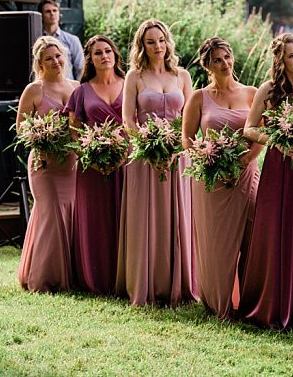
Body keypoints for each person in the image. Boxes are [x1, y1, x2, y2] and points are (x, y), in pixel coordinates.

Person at [239, 33, 293, 330]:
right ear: (281, 61)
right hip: (278, 165)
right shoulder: (269, 91)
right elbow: (249, 129)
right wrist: (276, 138)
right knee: (275, 229)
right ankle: (272, 305)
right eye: (291, 55)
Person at [181, 37, 263, 319]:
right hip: (211, 178)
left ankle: (249, 302)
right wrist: (207, 158)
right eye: (217, 59)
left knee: (251, 236)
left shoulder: (252, 94)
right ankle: (219, 302)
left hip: (246, 174)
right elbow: (187, 138)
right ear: (207, 65)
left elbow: (261, 136)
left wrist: (244, 160)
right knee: (216, 242)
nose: (225, 63)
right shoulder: (198, 97)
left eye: (227, 57)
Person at [117, 19, 194, 306]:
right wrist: (150, 147)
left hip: (177, 157)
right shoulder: (134, 77)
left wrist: (175, 147)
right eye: (151, 42)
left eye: (161, 40)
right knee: (145, 219)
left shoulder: (182, 76)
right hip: (144, 157)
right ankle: (146, 282)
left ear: (167, 42)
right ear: (142, 45)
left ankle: (178, 283)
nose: (158, 47)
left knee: (176, 216)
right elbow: (127, 120)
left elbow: (190, 119)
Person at [16, 36, 77, 292]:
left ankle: (72, 274)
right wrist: (40, 137)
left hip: (71, 164)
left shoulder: (76, 87)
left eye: (59, 56)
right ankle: (44, 277)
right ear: (40, 63)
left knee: (71, 213)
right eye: (49, 58)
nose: (56, 61)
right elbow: (20, 128)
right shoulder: (34, 90)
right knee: (50, 212)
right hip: (44, 164)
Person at [67, 35, 125, 295]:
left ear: (115, 55)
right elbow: (73, 132)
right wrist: (90, 156)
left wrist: (122, 154)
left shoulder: (129, 85)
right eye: (98, 53)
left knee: (125, 219)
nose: (105, 56)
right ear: (90, 59)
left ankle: (124, 276)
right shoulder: (81, 92)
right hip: (91, 168)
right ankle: (94, 278)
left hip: (125, 163)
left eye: (108, 51)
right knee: (95, 221)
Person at [39, 0, 83, 80]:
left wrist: (78, 90)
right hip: (44, 88)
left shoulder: (72, 40)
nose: (52, 14)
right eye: (48, 11)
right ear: (41, 15)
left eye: (55, 10)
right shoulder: (36, 40)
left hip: (68, 89)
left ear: (59, 13)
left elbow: (81, 69)